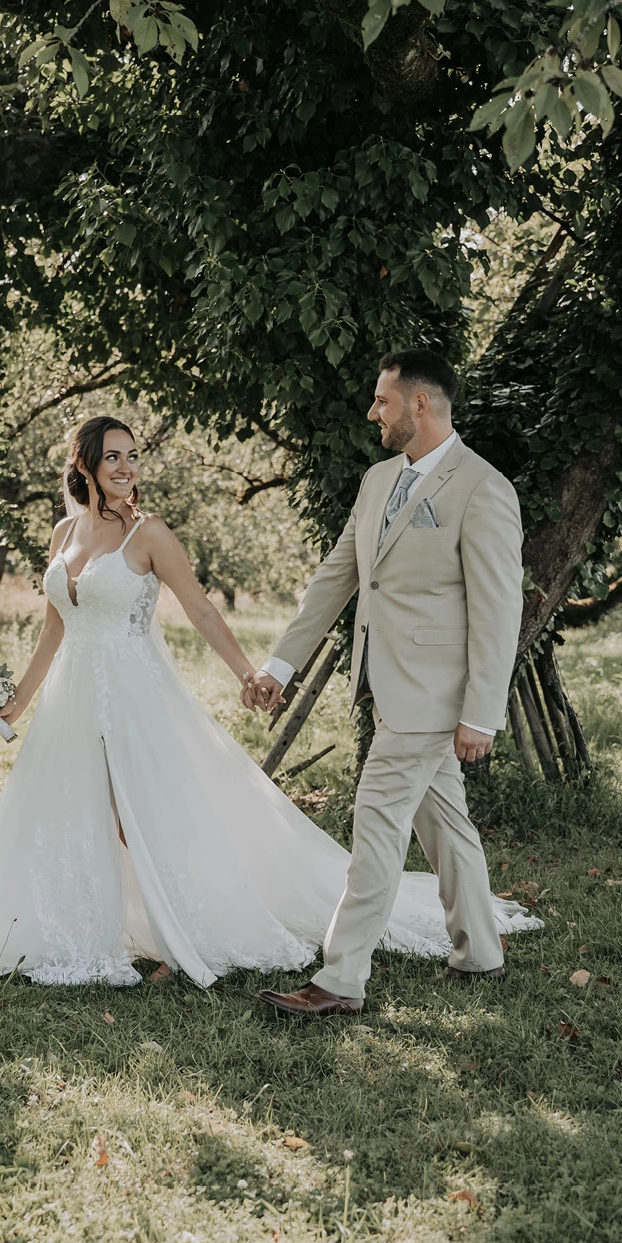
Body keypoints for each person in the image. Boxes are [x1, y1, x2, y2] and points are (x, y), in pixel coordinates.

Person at [0, 410, 538, 992]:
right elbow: (54, 629)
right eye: (113, 457)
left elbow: (199, 608)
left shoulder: (149, 534)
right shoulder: (62, 533)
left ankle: (180, 933)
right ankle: (84, 929)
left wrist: (251, 672)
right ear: (83, 465)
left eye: (133, 457)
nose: (126, 468)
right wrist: (17, 705)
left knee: (145, 815)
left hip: (135, 695)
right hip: (73, 699)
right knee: (78, 813)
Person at [250, 347, 532, 1017]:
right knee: (444, 824)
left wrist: (481, 714)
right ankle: (479, 952)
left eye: (382, 400)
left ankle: (339, 980)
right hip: (387, 686)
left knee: (375, 823)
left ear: (420, 404)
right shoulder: (378, 480)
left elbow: (497, 612)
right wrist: (279, 665)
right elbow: (337, 578)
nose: (372, 411)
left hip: (435, 694)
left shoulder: (482, 488)